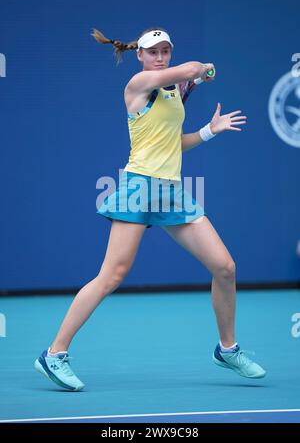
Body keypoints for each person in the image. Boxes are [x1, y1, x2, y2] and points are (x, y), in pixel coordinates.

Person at [34, 26, 266, 391]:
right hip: (139, 188)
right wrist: (203, 71)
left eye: (165, 51)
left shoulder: (172, 94)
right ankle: (54, 353)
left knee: (224, 267)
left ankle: (227, 349)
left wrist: (209, 130)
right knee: (111, 276)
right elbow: (195, 70)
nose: (159, 57)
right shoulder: (138, 84)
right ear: (139, 55)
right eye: (153, 51)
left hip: (172, 191)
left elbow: (174, 143)